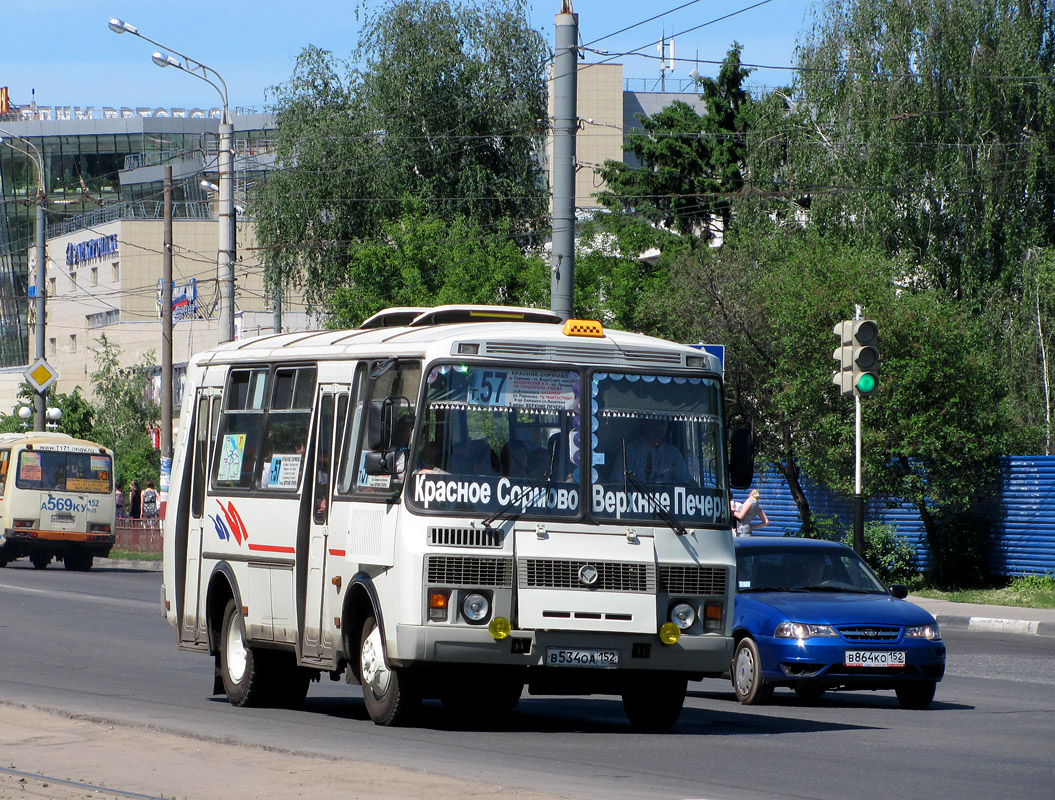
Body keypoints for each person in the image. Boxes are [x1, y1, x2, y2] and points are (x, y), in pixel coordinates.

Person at [616, 417, 692, 485]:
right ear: (644, 423)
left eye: (663, 423)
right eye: (654, 423)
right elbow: (617, 485)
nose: (659, 428)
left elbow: (689, 484)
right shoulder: (630, 452)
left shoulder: (673, 454)